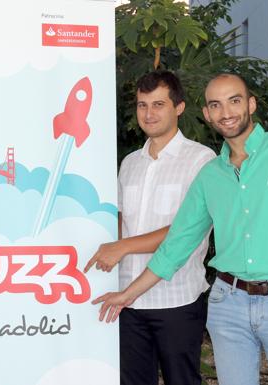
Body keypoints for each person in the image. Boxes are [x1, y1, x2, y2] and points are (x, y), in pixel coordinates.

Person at [93, 73, 268, 385]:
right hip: (228, 305)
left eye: (234, 101)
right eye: (216, 105)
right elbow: (177, 245)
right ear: (207, 114)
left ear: (250, 104)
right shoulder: (210, 174)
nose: (226, 112)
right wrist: (126, 295)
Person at [84, 70, 215, 385]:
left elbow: (187, 230)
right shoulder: (130, 162)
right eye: (142, 105)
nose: (149, 113)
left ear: (179, 107)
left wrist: (124, 246)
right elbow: (120, 217)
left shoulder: (202, 160)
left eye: (158, 104)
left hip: (177, 299)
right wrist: (113, 244)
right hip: (128, 300)